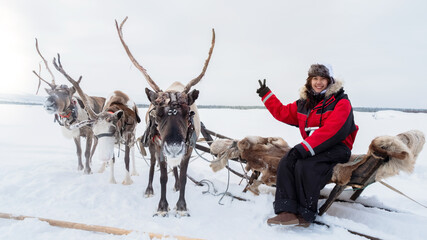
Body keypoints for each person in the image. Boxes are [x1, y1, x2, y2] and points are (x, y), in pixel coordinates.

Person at [256, 64, 358, 227]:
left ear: (330, 81)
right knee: (287, 161)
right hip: (314, 148)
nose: (318, 82)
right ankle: (286, 211)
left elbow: (332, 131)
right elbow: (282, 112)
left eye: (323, 79)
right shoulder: (305, 104)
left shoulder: (341, 102)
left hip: (337, 148)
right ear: (310, 81)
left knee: (305, 166)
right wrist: (266, 95)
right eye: (315, 79)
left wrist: (302, 149)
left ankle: (305, 213)